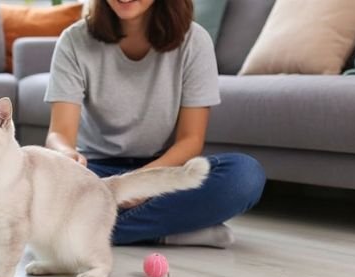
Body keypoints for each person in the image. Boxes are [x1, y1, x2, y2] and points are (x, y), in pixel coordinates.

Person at [45, 0, 266, 248]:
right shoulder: (74, 40)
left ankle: (78, 232)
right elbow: (59, 133)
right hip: (97, 172)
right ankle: (167, 232)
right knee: (39, 183)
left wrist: (141, 183)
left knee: (244, 176)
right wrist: (65, 154)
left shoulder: (195, 41)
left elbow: (190, 140)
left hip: (164, 169)